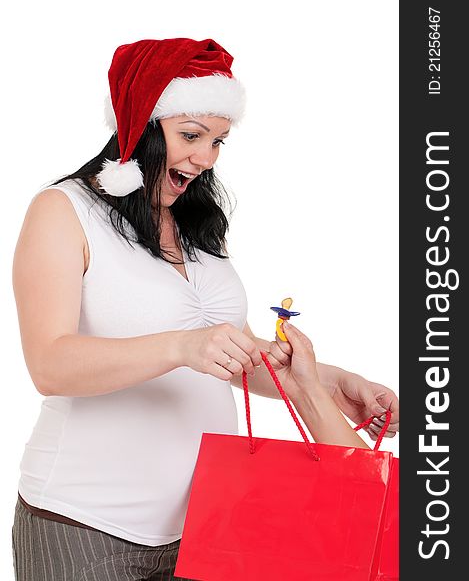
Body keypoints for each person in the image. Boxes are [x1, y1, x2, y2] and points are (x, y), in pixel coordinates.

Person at [11, 38, 398, 580]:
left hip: (207, 520)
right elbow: (49, 366)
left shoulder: (195, 226)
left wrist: (331, 381)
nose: (206, 157)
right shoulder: (63, 211)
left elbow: (230, 351)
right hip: (84, 523)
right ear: (139, 126)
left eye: (218, 141)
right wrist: (180, 346)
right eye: (190, 136)